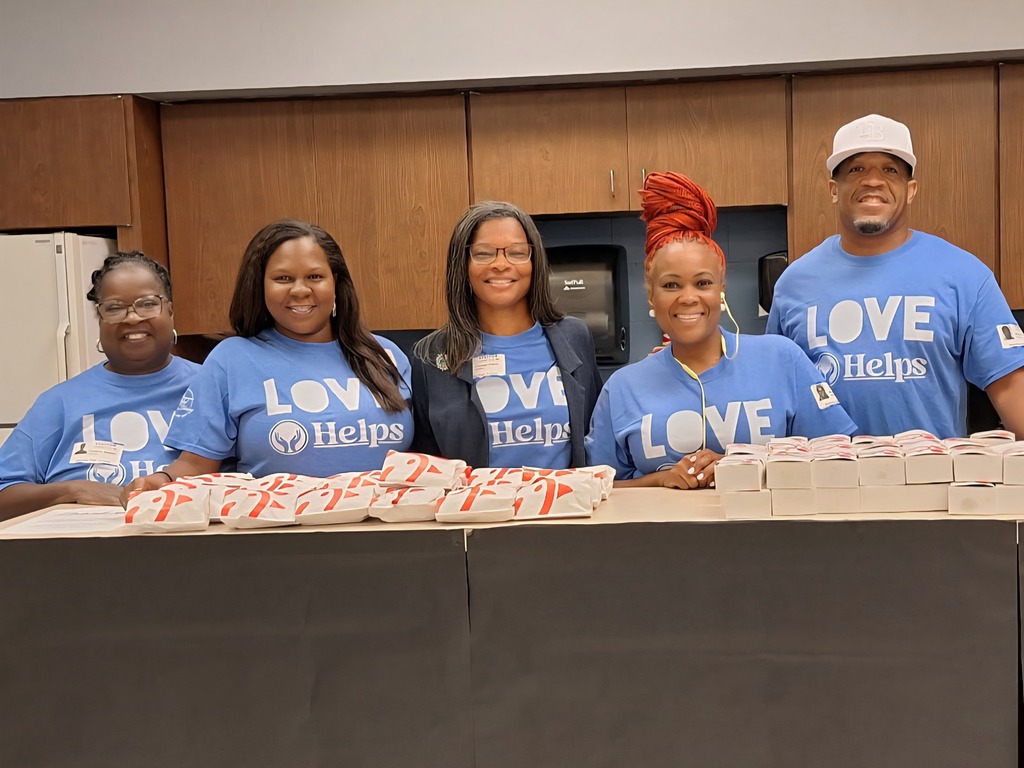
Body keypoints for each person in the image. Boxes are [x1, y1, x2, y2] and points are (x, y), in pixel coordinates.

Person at [585, 172, 856, 489]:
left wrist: (742, 466)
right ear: (651, 295)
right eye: (671, 285)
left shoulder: (782, 360)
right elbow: (599, 488)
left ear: (721, 289)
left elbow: (839, 457)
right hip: (662, 539)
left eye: (702, 283)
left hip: (773, 537)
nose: (688, 297)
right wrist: (659, 479)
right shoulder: (622, 389)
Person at [767, 113, 1024, 439]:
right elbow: (778, 397)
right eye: (856, 169)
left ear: (911, 189)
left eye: (890, 170)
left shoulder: (965, 275)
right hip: (826, 484)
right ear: (834, 189)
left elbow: (1012, 387)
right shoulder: (794, 283)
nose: (872, 181)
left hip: (933, 483)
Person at [124, 220, 412, 495]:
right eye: (283, 278)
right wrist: (161, 481)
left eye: (315, 276)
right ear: (259, 287)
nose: (300, 290)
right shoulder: (232, 360)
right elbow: (196, 465)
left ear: (335, 283)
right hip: (278, 537)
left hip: (390, 533)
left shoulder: (386, 356)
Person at [0, 252, 198, 520]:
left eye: (148, 304)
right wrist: (73, 490)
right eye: (115, 308)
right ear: (100, 318)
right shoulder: (59, 403)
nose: (132, 318)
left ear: (170, 311)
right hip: (78, 556)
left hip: (196, 549)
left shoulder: (211, 387)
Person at [411, 201, 602, 469]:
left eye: (516, 252)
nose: (501, 264)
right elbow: (427, 461)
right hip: (475, 509)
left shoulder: (574, 338)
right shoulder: (431, 356)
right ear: (462, 264)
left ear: (534, 261)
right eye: (484, 253)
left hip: (565, 508)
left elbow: (598, 437)